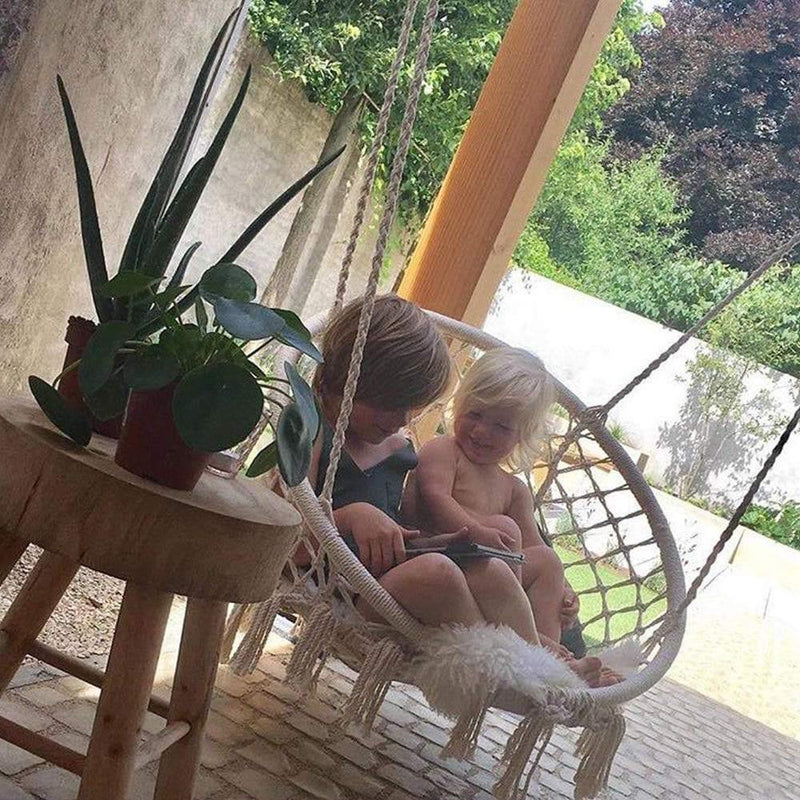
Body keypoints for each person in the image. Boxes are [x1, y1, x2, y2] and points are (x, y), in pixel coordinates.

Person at [303, 295, 611, 686]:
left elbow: (402, 526)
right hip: (351, 592)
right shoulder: (313, 430)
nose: (402, 421)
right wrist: (351, 515)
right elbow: (286, 537)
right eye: (392, 405)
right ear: (353, 380)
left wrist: (445, 539)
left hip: (393, 581)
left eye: (411, 409)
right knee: (440, 571)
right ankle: (528, 670)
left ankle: (538, 655)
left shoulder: (397, 449)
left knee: (493, 571)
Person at [406, 347, 618, 683]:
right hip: (443, 566)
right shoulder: (444, 451)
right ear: (459, 404)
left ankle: (545, 644)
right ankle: (544, 655)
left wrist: (563, 591)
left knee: (548, 560)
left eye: (501, 426)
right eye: (474, 414)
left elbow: (531, 546)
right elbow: (435, 498)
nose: (482, 431)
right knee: (503, 527)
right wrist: (476, 530)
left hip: (497, 589)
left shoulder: (514, 489)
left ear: (523, 435)